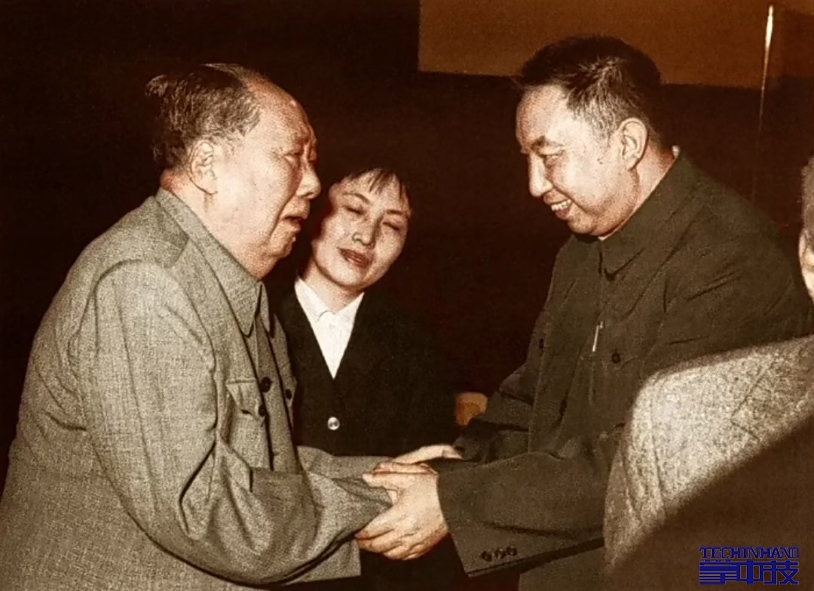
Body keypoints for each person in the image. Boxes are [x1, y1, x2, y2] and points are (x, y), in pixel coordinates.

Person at [354, 36, 814, 591]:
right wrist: (453, 464)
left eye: (549, 157)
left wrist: (454, 502)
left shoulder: (736, 260)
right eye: (527, 160)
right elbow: (534, 404)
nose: (534, 185)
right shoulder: (581, 249)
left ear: (628, 143)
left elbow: (649, 463)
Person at [0, 63, 392, 590]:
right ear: (207, 164)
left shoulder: (229, 284)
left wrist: (386, 474)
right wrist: (382, 502)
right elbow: (207, 511)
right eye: (291, 157)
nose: (313, 183)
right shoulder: (145, 283)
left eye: (312, 161)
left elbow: (257, 467)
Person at [602, 154, 814, 590]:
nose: (537, 185)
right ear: (810, 263)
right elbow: (692, 572)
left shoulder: (732, 251)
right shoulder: (684, 431)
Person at [273, 164, 475, 590]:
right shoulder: (256, 315)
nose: (367, 236)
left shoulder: (418, 348)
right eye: (354, 209)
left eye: (393, 225)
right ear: (311, 206)